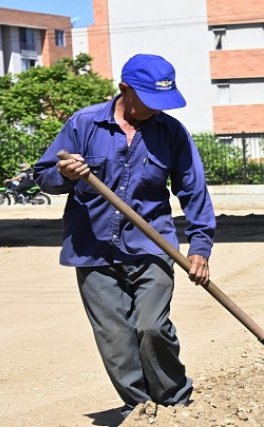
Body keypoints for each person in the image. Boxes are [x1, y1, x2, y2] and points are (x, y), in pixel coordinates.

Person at [33, 54, 216, 417]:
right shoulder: (84, 124)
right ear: (124, 90)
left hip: (152, 245)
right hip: (92, 249)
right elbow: (44, 175)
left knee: (152, 326)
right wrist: (65, 174)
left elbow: (193, 191)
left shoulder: (171, 133)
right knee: (116, 341)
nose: (156, 110)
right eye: (149, 101)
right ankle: (140, 408)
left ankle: (176, 401)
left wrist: (200, 245)